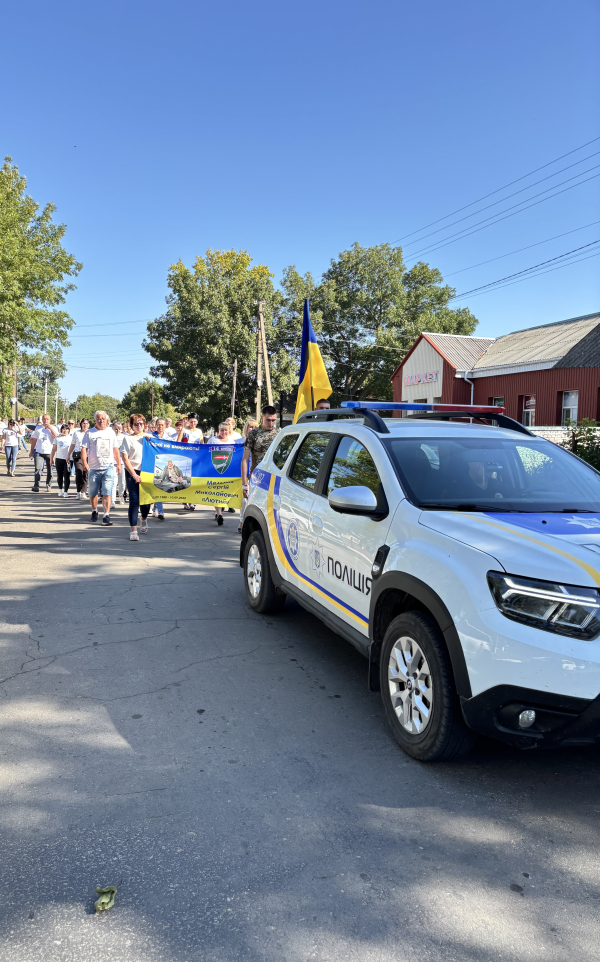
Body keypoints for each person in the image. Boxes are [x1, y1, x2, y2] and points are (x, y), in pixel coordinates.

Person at [80, 411, 122, 526]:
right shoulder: (89, 433)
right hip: (93, 468)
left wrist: (118, 464)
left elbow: (115, 449)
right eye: (99, 418)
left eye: (103, 418)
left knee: (107, 492)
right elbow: (84, 449)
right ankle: (94, 510)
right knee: (93, 493)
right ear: (95, 420)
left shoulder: (111, 432)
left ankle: (106, 515)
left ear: (107, 420)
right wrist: (85, 463)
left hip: (108, 467)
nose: (101, 420)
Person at [121, 414, 152, 541]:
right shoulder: (127, 439)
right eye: (136, 423)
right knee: (134, 501)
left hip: (148, 473)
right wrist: (134, 474)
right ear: (131, 425)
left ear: (144, 425)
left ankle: (143, 518)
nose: (138, 426)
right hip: (132, 472)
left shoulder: (149, 438)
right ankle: (133, 530)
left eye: (141, 423)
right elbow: (125, 458)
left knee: (146, 502)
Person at [241, 406, 279, 505]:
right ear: (262, 418)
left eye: (273, 420)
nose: (271, 423)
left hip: (274, 478)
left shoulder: (279, 434)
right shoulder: (253, 434)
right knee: (253, 509)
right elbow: (245, 460)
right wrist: (244, 484)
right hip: (257, 478)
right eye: (268, 420)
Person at [207, 421, 238, 525]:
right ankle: (219, 514)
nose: (224, 432)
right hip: (214, 470)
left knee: (224, 492)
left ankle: (220, 511)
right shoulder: (213, 440)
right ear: (218, 430)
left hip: (228, 471)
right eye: (221, 430)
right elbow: (205, 453)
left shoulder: (232, 441)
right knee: (216, 492)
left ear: (228, 431)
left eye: (225, 430)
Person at [238, 418, 258, 532]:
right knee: (244, 499)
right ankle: (241, 521)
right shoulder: (239, 442)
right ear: (246, 428)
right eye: (251, 427)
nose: (253, 429)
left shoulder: (260, 441)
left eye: (255, 427)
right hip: (242, 474)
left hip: (256, 474)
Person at [29, 414, 58, 492]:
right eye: (44, 419)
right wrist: (31, 451)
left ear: (50, 420)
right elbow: (34, 440)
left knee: (50, 470)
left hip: (50, 452)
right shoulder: (38, 428)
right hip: (39, 451)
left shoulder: (54, 428)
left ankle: (49, 485)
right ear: (42, 420)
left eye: (47, 419)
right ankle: (36, 485)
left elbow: (57, 437)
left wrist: (50, 429)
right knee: (38, 468)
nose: (45, 421)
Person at [150, 417, 168, 520]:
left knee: (160, 487)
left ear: (165, 426)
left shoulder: (169, 438)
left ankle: (156, 509)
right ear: (155, 425)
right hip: (154, 464)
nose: (160, 426)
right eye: (158, 424)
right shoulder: (151, 436)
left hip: (164, 464)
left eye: (162, 424)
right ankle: (160, 511)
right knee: (157, 486)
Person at [68, 418, 90, 499]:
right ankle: (78, 491)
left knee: (85, 474)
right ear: (81, 424)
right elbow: (73, 444)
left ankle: (83, 491)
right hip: (78, 455)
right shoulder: (76, 433)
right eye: (83, 423)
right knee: (79, 472)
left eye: (87, 423)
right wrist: (68, 455)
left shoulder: (91, 433)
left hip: (88, 456)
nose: (85, 425)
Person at [51, 424, 73, 497]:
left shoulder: (71, 438)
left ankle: (66, 491)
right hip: (59, 459)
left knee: (67, 476)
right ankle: (60, 489)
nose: (64, 430)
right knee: (59, 475)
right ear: (61, 430)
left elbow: (73, 448)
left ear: (68, 430)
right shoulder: (57, 438)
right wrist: (51, 459)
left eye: (66, 429)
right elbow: (54, 449)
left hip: (68, 460)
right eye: (63, 429)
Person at [111, 421, 127, 504]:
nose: (117, 430)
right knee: (114, 482)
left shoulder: (124, 437)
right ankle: (112, 499)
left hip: (122, 462)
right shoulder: (111, 436)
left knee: (122, 482)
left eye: (119, 429)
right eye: (116, 429)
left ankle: (121, 496)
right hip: (113, 462)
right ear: (113, 428)